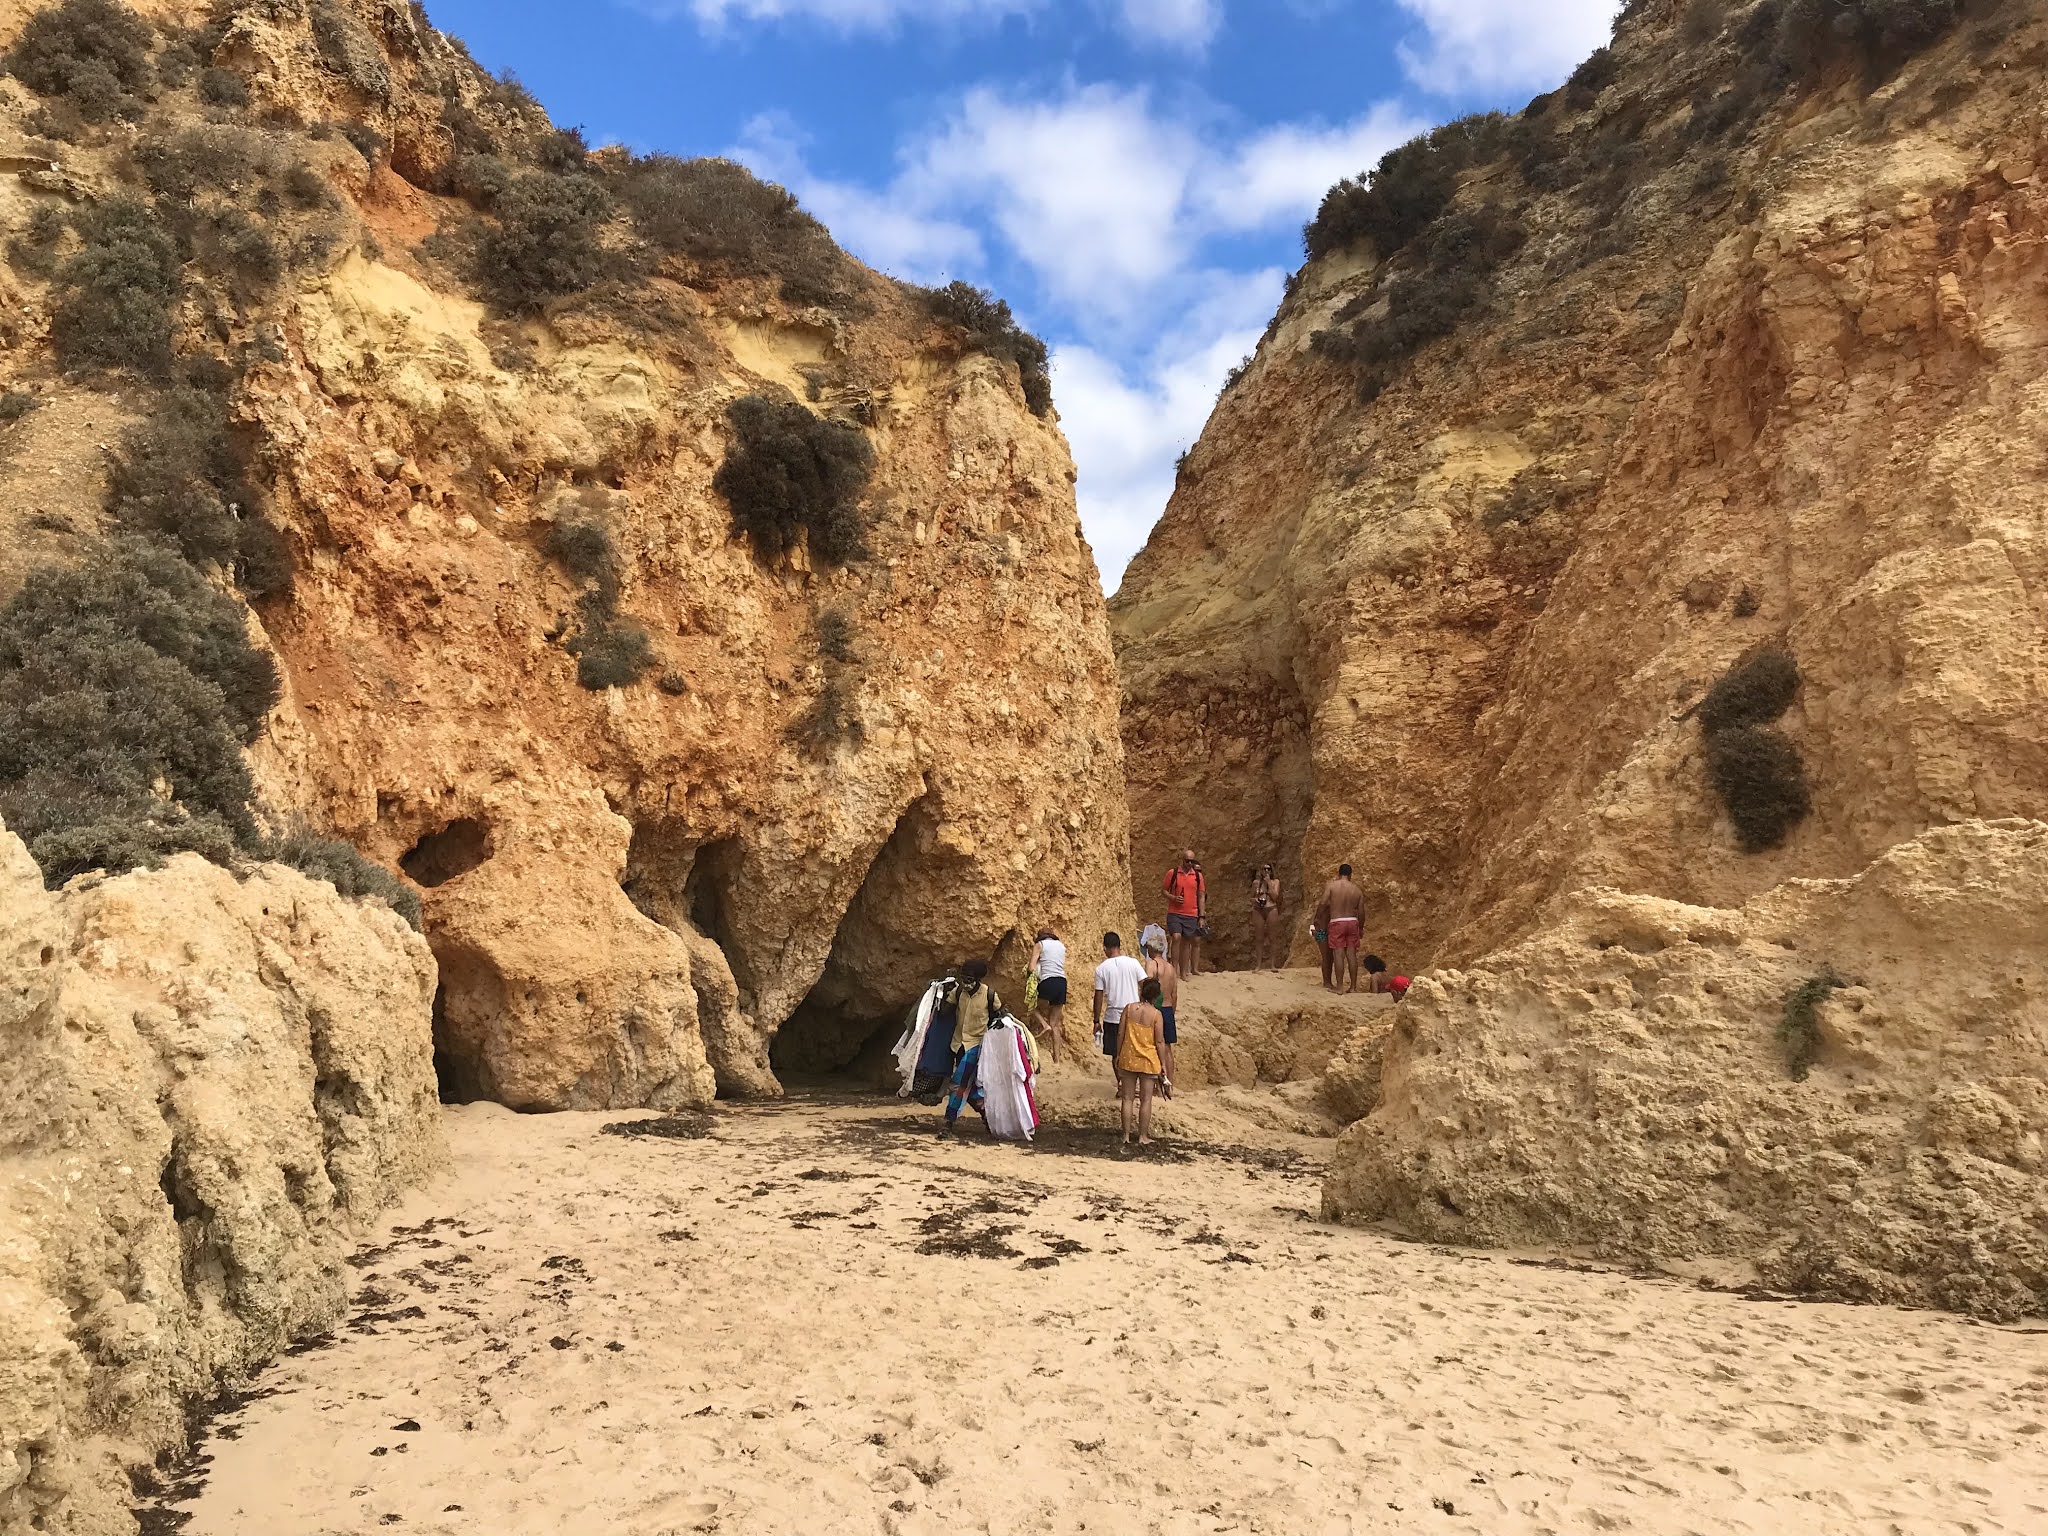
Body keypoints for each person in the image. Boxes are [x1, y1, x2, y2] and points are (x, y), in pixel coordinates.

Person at [941, 960, 1001, 1137]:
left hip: (977, 1046)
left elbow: (999, 1017)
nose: (965, 981)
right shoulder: (958, 991)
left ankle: (948, 1123)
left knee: (959, 1084)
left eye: (969, 978)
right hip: (958, 1045)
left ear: (978, 979)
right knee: (970, 1087)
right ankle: (988, 1118)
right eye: (963, 976)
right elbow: (945, 1012)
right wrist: (945, 989)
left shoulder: (989, 996)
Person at [1115, 977, 1170, 1149]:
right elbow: (1159, 1041)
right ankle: (1143, 1136)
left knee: (1127, 1098)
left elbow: (1120, 1034)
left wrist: (1118, 1055)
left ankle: (1125, 1135)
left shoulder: (1129, 1009)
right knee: (1146, 1100)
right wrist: (1163, 1064)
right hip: (1148, 1060)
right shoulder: (1156, 1015)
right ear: (1156, 996)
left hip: (1128, 1058)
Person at [1092, 931, 1145, 1067]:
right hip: (1134, 1014)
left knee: (1116, 1053)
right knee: (1134, 1051)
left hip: (1113, 1017)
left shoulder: (1101, 969)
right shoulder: (1133, 963)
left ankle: (1121, 1083)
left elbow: (1098, 995)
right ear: (1119, 945)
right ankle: (1132, 1082)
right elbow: (1145, 985)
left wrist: (1096, 1020)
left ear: (1105, 948)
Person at [1321, 863, 1366, 994]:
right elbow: (1362, 912)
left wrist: (1317, 918)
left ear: (1339, 873)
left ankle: (1340, 986)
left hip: (1337, 921)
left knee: (1338, 953)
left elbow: (1323, 903)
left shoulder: (1332, 887)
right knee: (1351, 954)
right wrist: (1361, 927)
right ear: (1350, 875)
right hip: (1352, 921)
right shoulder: (1357, 890)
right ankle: (1353, 987)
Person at [1162, 849, 1207, 977]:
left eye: (1191, 861)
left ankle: (1183, 972)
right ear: (1182, 860)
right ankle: (1174, 969)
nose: (1189, 863)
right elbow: (1164, 890)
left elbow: (1201, 896)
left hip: (1191, 913)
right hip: (1175, 912)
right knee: (1176, 937)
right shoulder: (1173, 873)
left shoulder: (1198, 877)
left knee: (1187, 941)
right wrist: (1173, 898)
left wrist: (1201, 915)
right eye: (1187, 861)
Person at [1141, 932, 1179, 1078]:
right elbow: (1174, 994)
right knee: (1167, 1047)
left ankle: (1156, 1083)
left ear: (1151, 947)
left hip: (1155, 1008)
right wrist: (1171, 1012)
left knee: (1155, 1045)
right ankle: (1169, 1082)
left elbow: (1148, 987)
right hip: (1168, 1008)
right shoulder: (1171, 968)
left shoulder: (1151, 964)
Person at [1028, 928, 1068, 1063]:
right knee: (1055, 1024)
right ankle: (1057, 1060)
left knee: (1031, 1005)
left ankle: (1044, 1025)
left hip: (1048, 980)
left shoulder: (1040, 945)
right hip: (1062, 982)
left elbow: (1031, 968)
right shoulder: (1061, 946)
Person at [1250, 863, 1282, 970]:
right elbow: (1251, 897)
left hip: (1271, 908)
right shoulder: (1256, 883)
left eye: (1269, 869)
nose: (1266, 871)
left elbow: (1275, 896)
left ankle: (1273, 965)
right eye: (1264, 869)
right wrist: (1255, 900)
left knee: (1272, 937)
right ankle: (1258, 965)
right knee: (1259, 938)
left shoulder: (1275, 882)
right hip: (1258, 910)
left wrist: (1268, 883)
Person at [1310, 897, 1333, 990]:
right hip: (1322, 932)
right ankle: (1327, 981)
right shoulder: (1326, 908)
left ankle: (1327, 981)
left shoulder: (1323, 908)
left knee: (1328, 957)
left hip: (1321, 932)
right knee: (1327, 957)